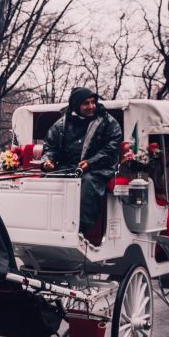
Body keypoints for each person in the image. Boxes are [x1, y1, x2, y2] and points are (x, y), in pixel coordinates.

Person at [41, 87, 123, 236]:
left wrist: (91, 162)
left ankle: (80, 231)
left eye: (93, 102)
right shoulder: (61, 124)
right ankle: (46, 225)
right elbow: (50, 146)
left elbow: (111, 147)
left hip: (99, 169)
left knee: (89, 182)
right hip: (69, 167)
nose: (91, 106)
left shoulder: (108, 122)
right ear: (76, 105)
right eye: (86, 103)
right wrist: (48, 161)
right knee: (48, 180)